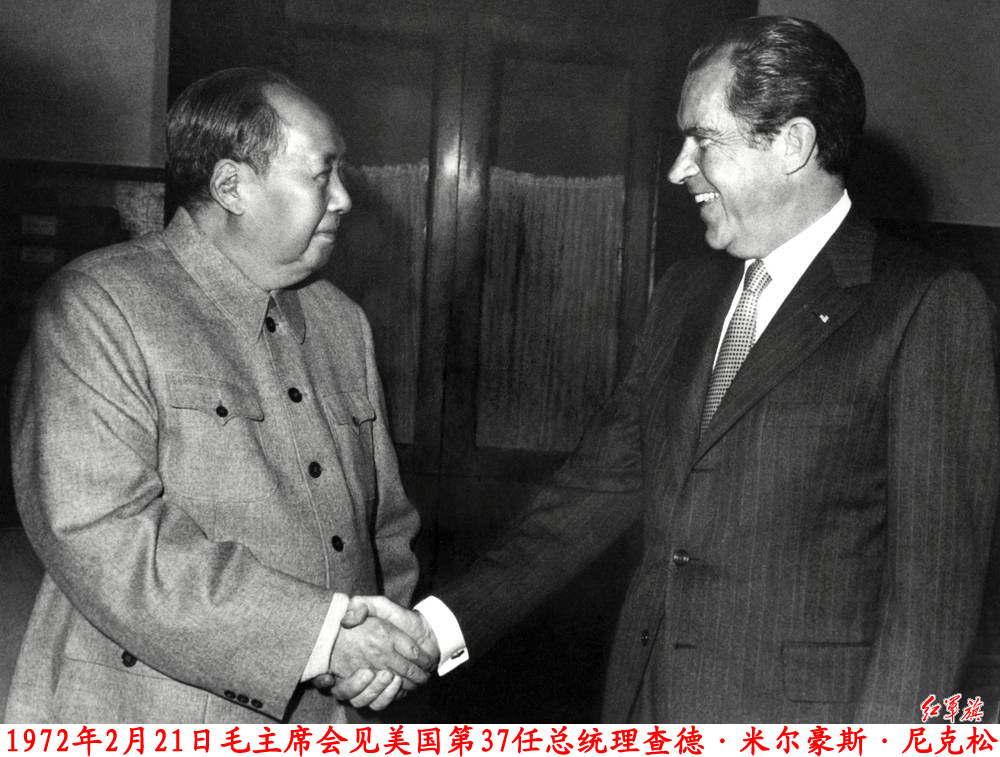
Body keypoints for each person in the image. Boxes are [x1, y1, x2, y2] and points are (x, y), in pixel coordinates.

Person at [349, 15, 1000, 722]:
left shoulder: (925, 306)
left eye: (704, 140)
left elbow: (931, 604)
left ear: (793, 143)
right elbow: (590, 495)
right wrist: (434, 629)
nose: (678, 168)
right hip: (647, 708)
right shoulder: (685, 295)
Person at [4, 67, 434, 723]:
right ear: (232, 186)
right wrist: (322, 640)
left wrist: (384, 650)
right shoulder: (98, 306)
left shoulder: (343, 323)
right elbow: (103, 537)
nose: (345, 199)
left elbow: (386, 530)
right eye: (321, 175)